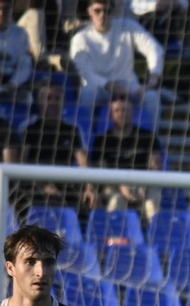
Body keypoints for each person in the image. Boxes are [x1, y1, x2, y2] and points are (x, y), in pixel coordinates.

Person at [69, 0, 162, 129]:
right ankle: (85, 137)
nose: (102, 15)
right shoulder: (80, 38)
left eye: (107, 11)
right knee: (87, 94)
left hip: (129, 86)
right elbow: (85, 73)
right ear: (89, 11)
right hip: (100, 88)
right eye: (97, 11)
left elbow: (154, 49)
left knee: (152, 97)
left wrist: (153, 79)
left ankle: (153, 138)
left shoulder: (128, 26)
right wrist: (110, 85)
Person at [2, 81, 90, 213]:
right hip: (34, 183)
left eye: (57, 98)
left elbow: (83, 161)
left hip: (65, 182)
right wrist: (42, 186)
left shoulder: (73, 130)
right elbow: (22, 164)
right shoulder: (29, 128)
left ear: (63, 102)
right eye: (49, 98)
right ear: (40, 103)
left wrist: (90, 188)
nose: (53, 102)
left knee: (89, 199)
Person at [89, 89, 163, 217]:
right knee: (116, 200)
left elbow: (155, 168)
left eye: (125, 110)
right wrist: (120, 187)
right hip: (113, 184)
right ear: (110, 115)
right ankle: (115, 229)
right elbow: (102, 173)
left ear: (132, 113)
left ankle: (155, 229)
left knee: (152, 201)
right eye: (117, 111)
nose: (121, 114)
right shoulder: (102, 141)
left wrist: (144, 186)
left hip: (143, 182)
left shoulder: (148, 137)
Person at [0, 0, 35, 108]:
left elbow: (25, 65)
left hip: (10, 84)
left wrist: (13, 83)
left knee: (27, 98)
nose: (2, 13)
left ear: (12, 10)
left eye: (6, 9)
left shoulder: (21, 34)